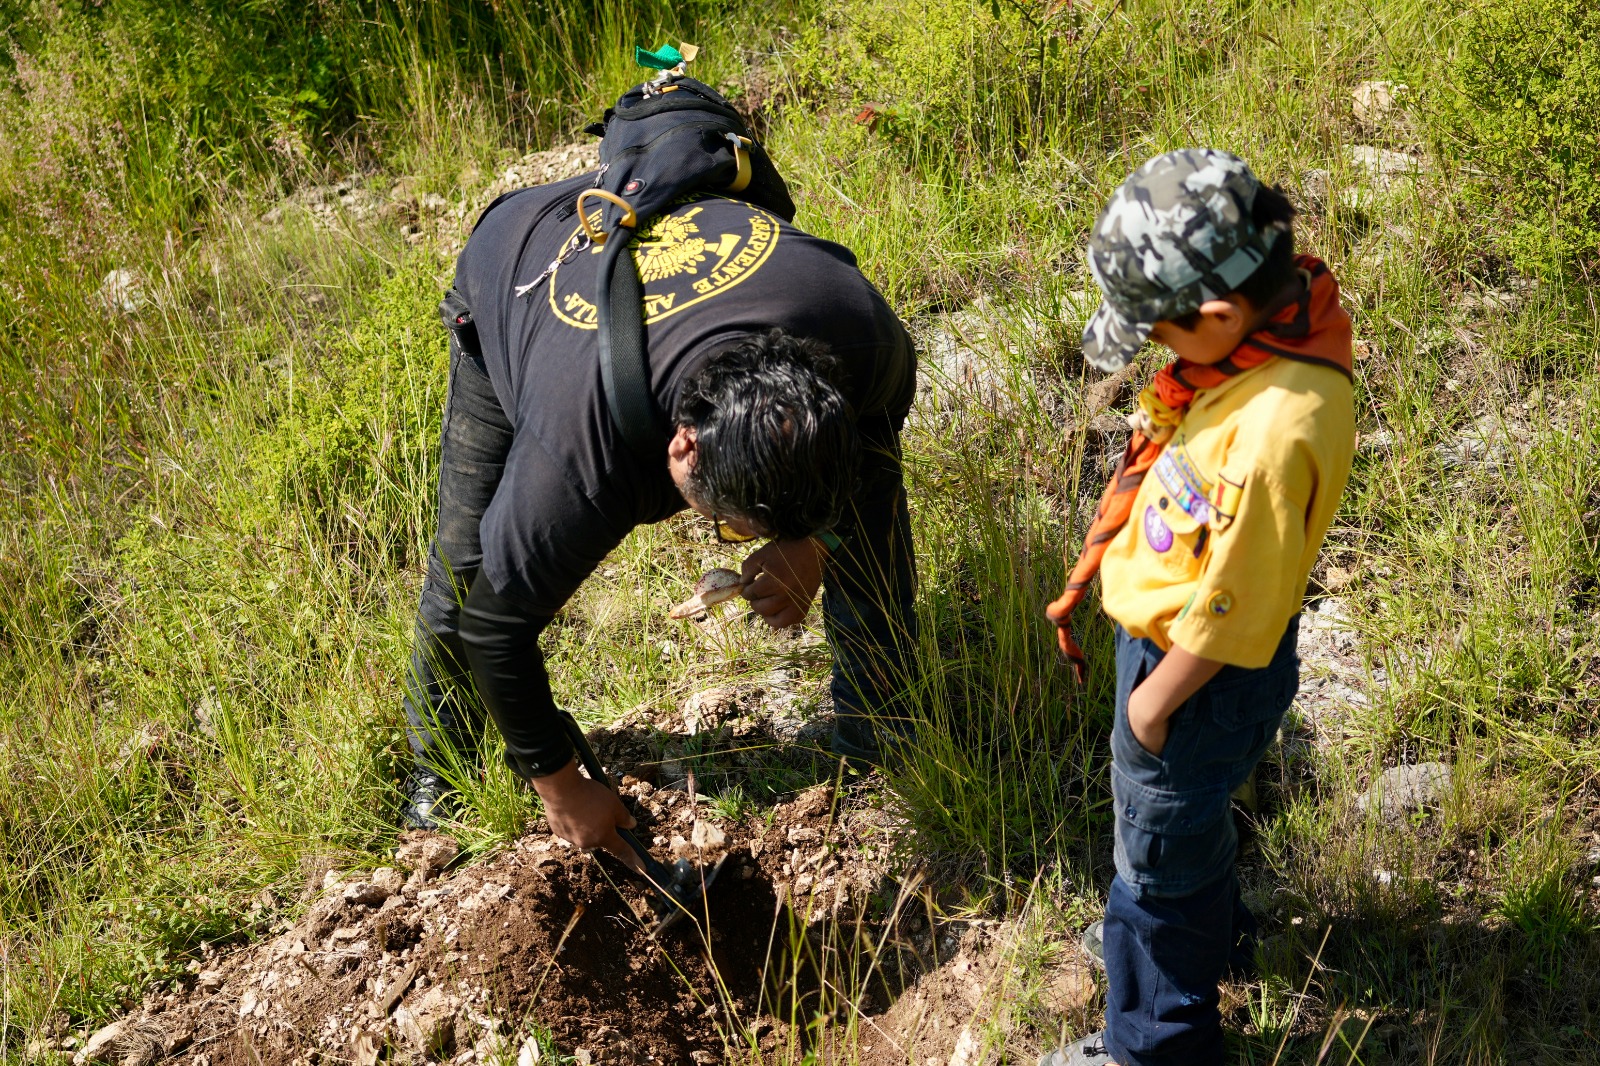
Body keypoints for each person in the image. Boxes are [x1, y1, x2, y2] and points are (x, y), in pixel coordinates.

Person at [398, 170, 919, 862]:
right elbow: (495, 628)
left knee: (865, 505)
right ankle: (440, 774)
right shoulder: (579, 454)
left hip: (672, 266)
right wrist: (561, 787)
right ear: (682, 446)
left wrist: (813, 542)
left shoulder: (856, 331)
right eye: (731, 526)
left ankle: (878, 737)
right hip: (519, 268)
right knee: (468, 565)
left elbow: (874, 435)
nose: (738, 543)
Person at [1040, 149, 1356, 1066]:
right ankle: (1215, 940)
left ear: (1217, 316)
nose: (1155, 352)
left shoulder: (1274, 430)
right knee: (1187, 829)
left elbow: (1237, 603)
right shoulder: (1275, 331)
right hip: (1186, 658)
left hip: (1193, 677)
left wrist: (1152, 706)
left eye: (1158, 332)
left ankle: (1154, 1044)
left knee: (1153, 869)